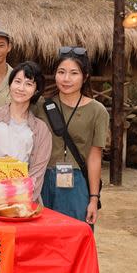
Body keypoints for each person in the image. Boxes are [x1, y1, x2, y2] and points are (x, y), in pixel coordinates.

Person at [35, 47, 108, 225]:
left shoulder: (97, 111)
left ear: (85, 77)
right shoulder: (41, 105)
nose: (66, 79)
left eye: (74, 73)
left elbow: (94, 157)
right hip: (42, 180)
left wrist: (93, 198)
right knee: (43, 240)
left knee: (73, 238)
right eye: (61, 72)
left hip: (76, 184)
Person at [0, 61, 51, 200]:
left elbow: (36, 174)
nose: (21, 88)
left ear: (36, 91)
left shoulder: (41, 130)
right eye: (17, 81)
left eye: (29, 84)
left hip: (21, 202)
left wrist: (16, 197)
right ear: (10, 84)